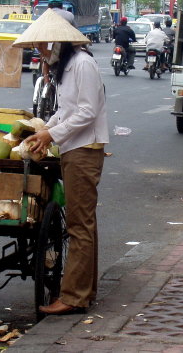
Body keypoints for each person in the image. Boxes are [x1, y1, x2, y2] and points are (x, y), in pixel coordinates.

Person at [21, 16, 109, 315]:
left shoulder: (82, 64)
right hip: (74, 146)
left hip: (84, 150)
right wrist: (45, 129)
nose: (42, 53)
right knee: (84, 223)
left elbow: (87, 111)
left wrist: (51, 134)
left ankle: (73, 297)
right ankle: (85, 290)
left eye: (44, 47)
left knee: (78, 224)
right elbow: (66, 110)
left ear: (58, 43)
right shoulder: (66, 68)